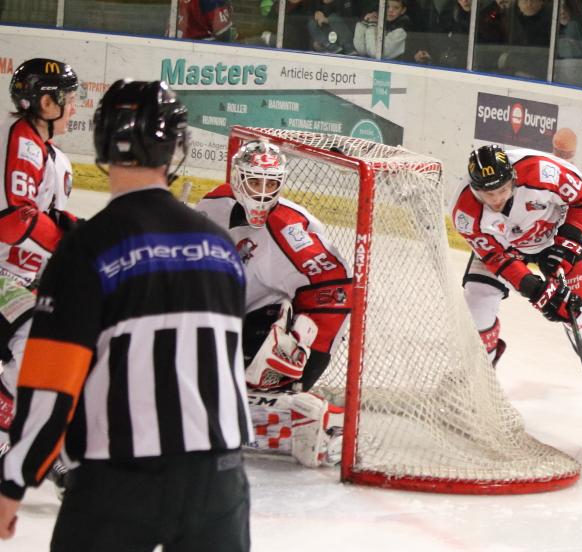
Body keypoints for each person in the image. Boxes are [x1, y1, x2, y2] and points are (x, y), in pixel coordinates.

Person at [0, 79, 252, 549]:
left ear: (102, 142)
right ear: (175, 148)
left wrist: (14, 480)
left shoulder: (87, 247)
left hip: (119, 479)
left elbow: (52, 384)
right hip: (220, 480)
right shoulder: (221, 247)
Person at [195, 140, 352, 468]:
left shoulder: (292, 231)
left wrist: (308, 358)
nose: (264, 193)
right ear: (238, 179)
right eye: (256, 182)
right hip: (219, 313)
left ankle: (299, 410)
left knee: (257, 364)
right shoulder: (213, 205)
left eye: (272, 184)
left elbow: (336, 289)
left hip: (260, 320)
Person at [0, 58, 82, 464]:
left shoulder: (50, 156)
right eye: (68, 98)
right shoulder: (19, 142)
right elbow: (15, 220)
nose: (74, 107)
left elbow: (47, 220)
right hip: (3, 277)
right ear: (46, 103)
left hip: (15, 280)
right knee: (38, 344)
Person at [451, 144, 582, 366]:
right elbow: (496, 257)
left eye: (503, 189)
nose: (497, 199)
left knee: (581, 311)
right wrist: (535, 290)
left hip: (553, 239)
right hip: (505, 248)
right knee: (477, 304)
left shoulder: (540, 171)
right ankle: (482, 368)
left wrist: (567, 244)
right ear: (475, 189)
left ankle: (575, 325)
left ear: (513, 177)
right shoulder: (465, 212)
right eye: (488, 194)